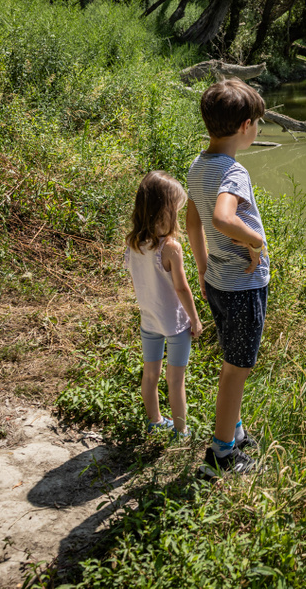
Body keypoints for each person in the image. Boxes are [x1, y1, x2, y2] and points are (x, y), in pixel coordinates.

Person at [186, 77, 269, 475]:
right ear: (244, 126)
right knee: (237, 369)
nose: (257, 129)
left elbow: (192, 223)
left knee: (232, 358)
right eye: (257, 123)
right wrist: (254, 242)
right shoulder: (233, 172)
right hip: (242, 286)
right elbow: (221, 218)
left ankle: (233, 431)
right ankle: (221, 455)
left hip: (219, 281)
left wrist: (203, 269)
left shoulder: (198, 165)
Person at [124, 170, 202, 439]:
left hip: (149, 320)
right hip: (174, 324)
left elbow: (137, 281)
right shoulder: (170, 247)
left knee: (150, 375)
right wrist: (195, 319)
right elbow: (181, 288)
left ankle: (155, 420)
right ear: (165, 211)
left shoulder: (134, 243)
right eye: (176, 209)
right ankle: (181, 431)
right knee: (175, 379)